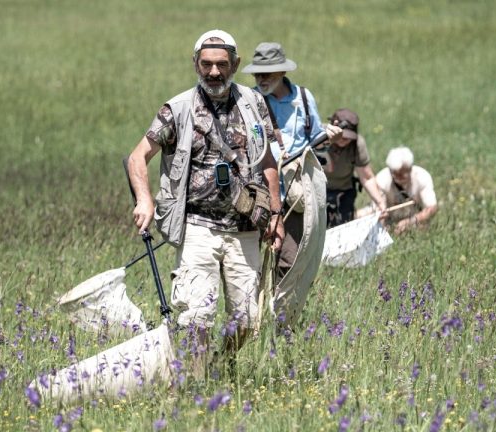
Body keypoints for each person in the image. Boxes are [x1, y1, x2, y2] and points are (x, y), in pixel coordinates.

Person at [127, 30, 285, 375]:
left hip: (246, 228)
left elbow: (269, 161)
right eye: (207, 64)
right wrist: (144, 200)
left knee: (247, 320)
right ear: (196, 64)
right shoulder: (178, 108)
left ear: (236, 65)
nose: (214, 72)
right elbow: (137, 157)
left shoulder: (254, 104)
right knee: (196, 316)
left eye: (222, 65)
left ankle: (220, 364)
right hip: (197, 227)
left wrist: (276, 212)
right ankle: (195, 383)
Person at [241, 42, 340, 328]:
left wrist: (328, 136)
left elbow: (315, 140)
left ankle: (282, 325)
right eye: (257, 74)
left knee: (290, 261)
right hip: (258, 195)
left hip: (296, 195)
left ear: (282, 71)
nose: (261, 79)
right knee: (250, 265)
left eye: (267, 73)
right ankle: (250, 323)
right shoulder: (250, 102)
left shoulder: (305, 99)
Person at [321, 108, 387, 227]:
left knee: (343, 229)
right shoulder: (317, 136)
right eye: (340, 135)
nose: (343, 139)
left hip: (343, 191)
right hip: (316, 191)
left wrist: (379, 202)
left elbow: (367, 177)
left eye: (348, 137)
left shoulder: (357, 145)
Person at [370, 146, 438, 235]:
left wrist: (410, 222)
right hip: (389, 220)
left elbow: (431, 208)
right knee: (361, 215)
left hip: (416, 220)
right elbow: (378, 211)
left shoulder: (422, 176)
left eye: (404, 172)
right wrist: (382, 231)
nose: (400, 177)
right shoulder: (382, 179)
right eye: (396, 173)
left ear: (410, 168)